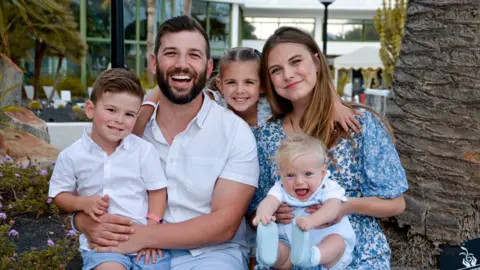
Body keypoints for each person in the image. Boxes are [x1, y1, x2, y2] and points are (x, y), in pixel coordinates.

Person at [71, 15, 259, 270]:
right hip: (127, 253)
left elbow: (224, 225)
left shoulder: (235, 132)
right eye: (171, 53)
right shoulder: (127, 128)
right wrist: (82, 221)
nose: (182, 64)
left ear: (207, 66)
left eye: (193, 55)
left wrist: (141, 237)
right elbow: (86, 187)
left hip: (209, 255)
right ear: (153, 62)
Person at [248, 26, 408, 269]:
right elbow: (254, 208)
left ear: (316, 61)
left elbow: (396, 203)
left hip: (354, 254)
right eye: (276, 70)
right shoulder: (266, 136)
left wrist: (345, 207)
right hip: (289, 250)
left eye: (296, 61)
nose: (288, 75)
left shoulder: (356, 125)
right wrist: (271, 213)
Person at [48, 68, 170, 270]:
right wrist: (82, 202)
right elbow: (59, 195)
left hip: (145, 244)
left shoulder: (143, 151)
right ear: (90, 109)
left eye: (129, 114)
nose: (119, 120)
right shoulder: (71, 155)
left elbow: (157, 191)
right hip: (104, 246)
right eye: (111, 110)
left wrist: (152, 231)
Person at [133, 47, 362, 135]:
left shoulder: (271, 105)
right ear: (221, 84)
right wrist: (143, 114)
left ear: (262, 85)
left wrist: (335, 103)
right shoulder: (215, 101)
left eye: (249, 83)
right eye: (232, 83)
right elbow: (161, 90)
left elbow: (312, 88)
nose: (240, 91)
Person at [253, 134, 355, 270]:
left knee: (337, 242)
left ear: (323, 172)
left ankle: (312, 255)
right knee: (282, 253)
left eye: (308, 174)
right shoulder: (281, 188)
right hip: (291, 248)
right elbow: (269, 201)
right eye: (290, 175)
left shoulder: (327, 187)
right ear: (280, 174)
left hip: (323, 252)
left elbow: (333, 208)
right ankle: (270, 253)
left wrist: (312, 220)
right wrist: (263, 215)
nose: (299, 182)